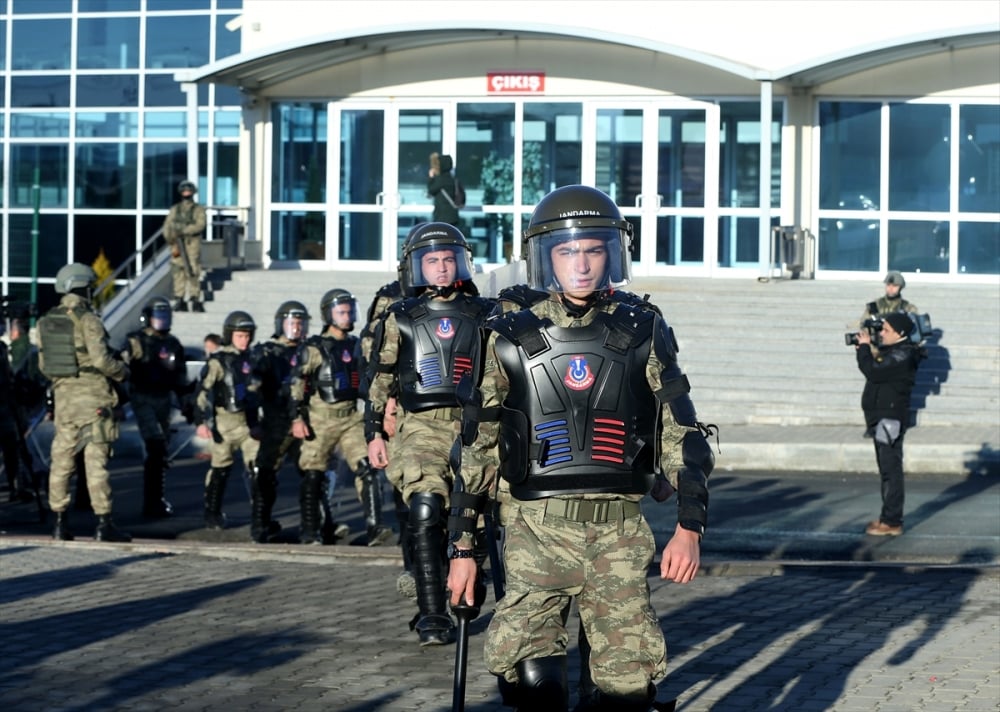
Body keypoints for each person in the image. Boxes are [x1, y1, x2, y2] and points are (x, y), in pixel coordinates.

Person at [446, 185, 714, 711]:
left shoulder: (642, 328)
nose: (582, 264)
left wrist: (689, 527)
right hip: (535, 531)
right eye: (568, 251)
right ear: (546, 257)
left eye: (593, 250)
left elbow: (682, 432)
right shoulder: (506, 334)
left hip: (618, 531)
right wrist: (463, 552)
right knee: (535, 686)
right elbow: (477, 451)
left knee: (626, 693)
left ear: (612, 253)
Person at [366, 222, 494, 646]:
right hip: (420, 424)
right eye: (431, 261)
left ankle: (469, 583)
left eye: (447, 260)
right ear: (417, 267)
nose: (440, 268)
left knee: (473, 513)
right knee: (425, 508)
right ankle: (432, 613)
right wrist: (374, 433)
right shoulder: (399, 316)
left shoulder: (485, 313)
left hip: (473, 423)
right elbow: (381, 377)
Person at [37, 263, 131, 542]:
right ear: (83, 287)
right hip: (94, 400)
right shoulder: (88, 319)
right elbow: (102, 360)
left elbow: (44, 366)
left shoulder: (46, 321)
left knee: (62, 460)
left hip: (65, 400)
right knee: (95, 462)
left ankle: (59, 523)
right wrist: (122, 371)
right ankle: (103, 524)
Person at [290, 288, 391, 545]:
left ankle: (374, 528)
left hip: (350, 416)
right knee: (314, 473)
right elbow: (296, 382)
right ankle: (312, 531)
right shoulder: (313, 348)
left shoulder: (357, 344)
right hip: (320, 417)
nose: (347, 316)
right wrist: (296, 417)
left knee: (368, 469)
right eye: (341, 312)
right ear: (328, 314)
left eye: (349, 311)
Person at [855, 311, 923, 537]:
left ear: (900, 333)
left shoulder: (903, 354)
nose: (881, 334)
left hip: (889, 418)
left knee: (891, 470)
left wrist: (864, 349)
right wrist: (867, 349)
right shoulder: (895, 351)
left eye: (886, 330)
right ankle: (888, 517)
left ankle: (892, 521)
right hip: (881, 417)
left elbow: (873, 371)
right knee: (885, 469)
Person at [120, 296, 189, 518]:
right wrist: (119, 401)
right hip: (143, 398)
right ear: (147, 317)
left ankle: (157, 499)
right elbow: (121, 370)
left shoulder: (173, 343)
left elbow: (180, 376)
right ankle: (152, 503)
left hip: (164, 399)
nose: (162, 320)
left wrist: (186, 403)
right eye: (158, 316)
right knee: (155, 444)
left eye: (165, 315)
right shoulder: (136, 342)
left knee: (160, 452)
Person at [250, 300, 309, 543]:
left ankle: (313, 524)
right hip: (275, 420)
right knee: (265, 473)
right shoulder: (266, 351)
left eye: (300, 323)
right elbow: (252, 388)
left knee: (311, 472)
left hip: (305, 420)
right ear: (280, 324)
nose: (296, 328)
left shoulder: (309, 350)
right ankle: (260, 524)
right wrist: (253, 421)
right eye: (291, 323)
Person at [195, 310, 260, 530]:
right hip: (224, 422)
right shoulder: (218, 362)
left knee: (258, 467)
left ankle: (260, 514)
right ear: (229, 334)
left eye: (248, 335)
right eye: (240, 335)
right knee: (220, 469)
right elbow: (202, 392)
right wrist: (201, 422)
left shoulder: (252, 359)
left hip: (248, 422)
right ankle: (211, 512)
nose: (245, 340)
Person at [162, 180, 207, 313]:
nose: (186, 193)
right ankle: (179, 299)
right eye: (184, 190)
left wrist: (184, 230)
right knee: (178, 271)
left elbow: (200, 225)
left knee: (192, 270)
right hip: (177, 244)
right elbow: (167, 226)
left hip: (191, 244)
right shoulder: (175, 209)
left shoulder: (198, 209)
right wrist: (171, 239)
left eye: (189, 190)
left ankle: (194, 298)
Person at [428, 152, 461, 227]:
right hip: (453, 216)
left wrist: (431, 178)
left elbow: (431, 190)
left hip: (442, 216)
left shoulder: (441, 179)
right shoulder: (453, 179)